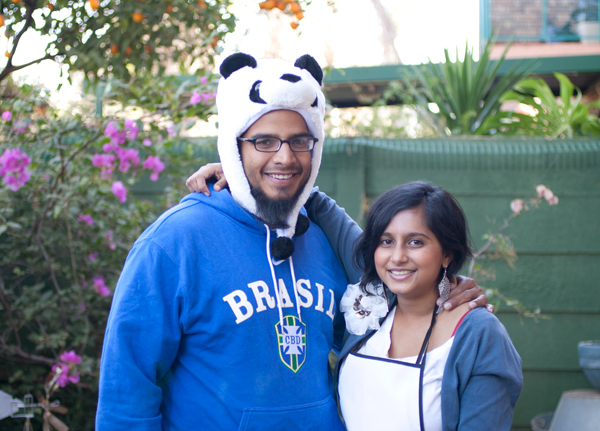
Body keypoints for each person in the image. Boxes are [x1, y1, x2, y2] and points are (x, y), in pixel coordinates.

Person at [97, 53, 488, 431]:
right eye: (264, 141)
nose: (285, 157)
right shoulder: (174, 243)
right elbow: (126, 389)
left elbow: (385, 315)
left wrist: (447, 290)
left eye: (300, 141)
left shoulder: (320, 237)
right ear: (235, 145)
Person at [333, 182, 522, 431]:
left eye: (415, 242)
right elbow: (314, 204)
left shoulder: (479, 334)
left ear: (447, 254)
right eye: (386, 241)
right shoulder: (366, 310)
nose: (397, 257)